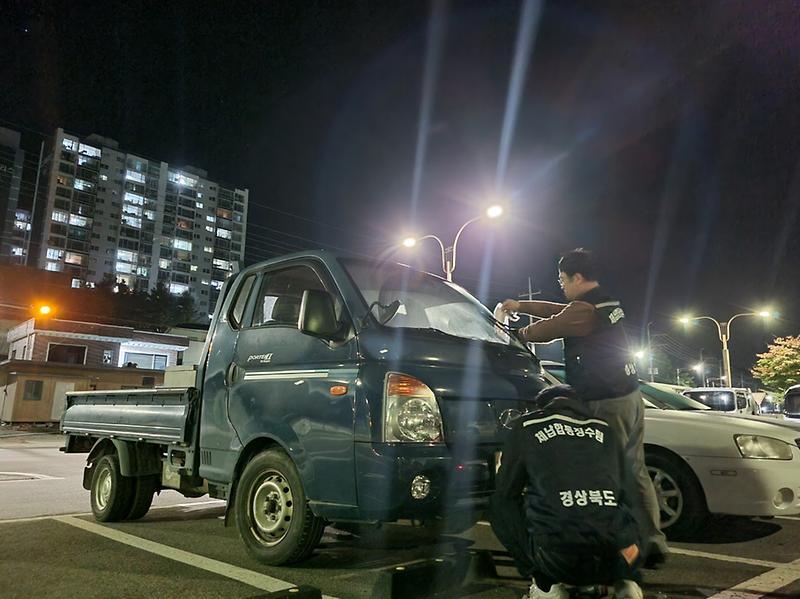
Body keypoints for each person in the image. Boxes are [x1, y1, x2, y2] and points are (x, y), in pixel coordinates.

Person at [500, 248, 667, 565]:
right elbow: (559, 311)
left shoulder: (584, 311)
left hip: (606, 401)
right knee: (635, 471)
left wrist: (515, 333)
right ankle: (651, 542)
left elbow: (546, 329)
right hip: (630, 396)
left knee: (607, 474)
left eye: (563, 280)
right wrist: (521, 306)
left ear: (577, 277)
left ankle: (621, 549)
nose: (561, 285)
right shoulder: (604, 302)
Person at [490, 385, 643, 599]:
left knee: (499, 504)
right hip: (623, 556)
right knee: (625, 502)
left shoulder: (527, 426)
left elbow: (506, 492)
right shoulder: (605, 429)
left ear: (542, 407)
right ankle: (627, 581)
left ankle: (545, 585)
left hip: (559, 560)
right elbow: (630, 492)